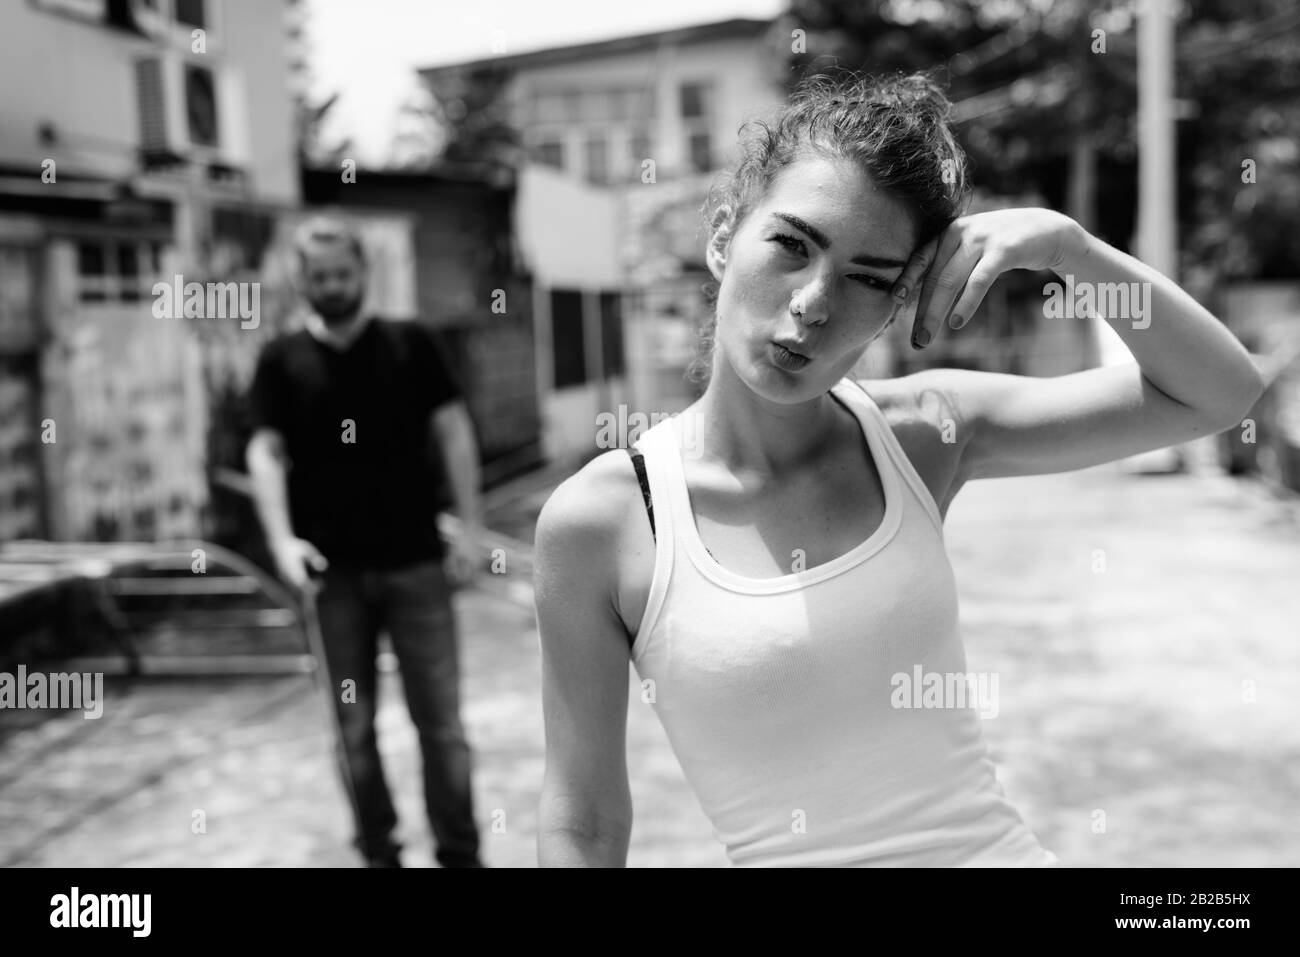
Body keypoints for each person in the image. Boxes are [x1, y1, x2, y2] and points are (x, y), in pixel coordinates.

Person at [533, 72, 1263, 867]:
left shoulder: (924, 432)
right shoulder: (604, 520)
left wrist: (1071, 251)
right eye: (791, 245)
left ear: (897, 304)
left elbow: (1219, 393)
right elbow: (583, 824)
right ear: (722, 239)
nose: (813, 302)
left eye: (869, 278)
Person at [246, 214, 486, 867]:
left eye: (341, 273)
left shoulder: (411, 344)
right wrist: (281, 541)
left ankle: (460, 853)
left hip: (416, 566)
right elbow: (264, 451)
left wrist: (468, 523)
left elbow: (455, 432)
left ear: (363, 272)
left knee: (441, 725)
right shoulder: (281, 359)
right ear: (302, 279)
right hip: (331, 577)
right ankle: (378, 851)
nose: (331, 285)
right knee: (352, 729)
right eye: (318, 275)